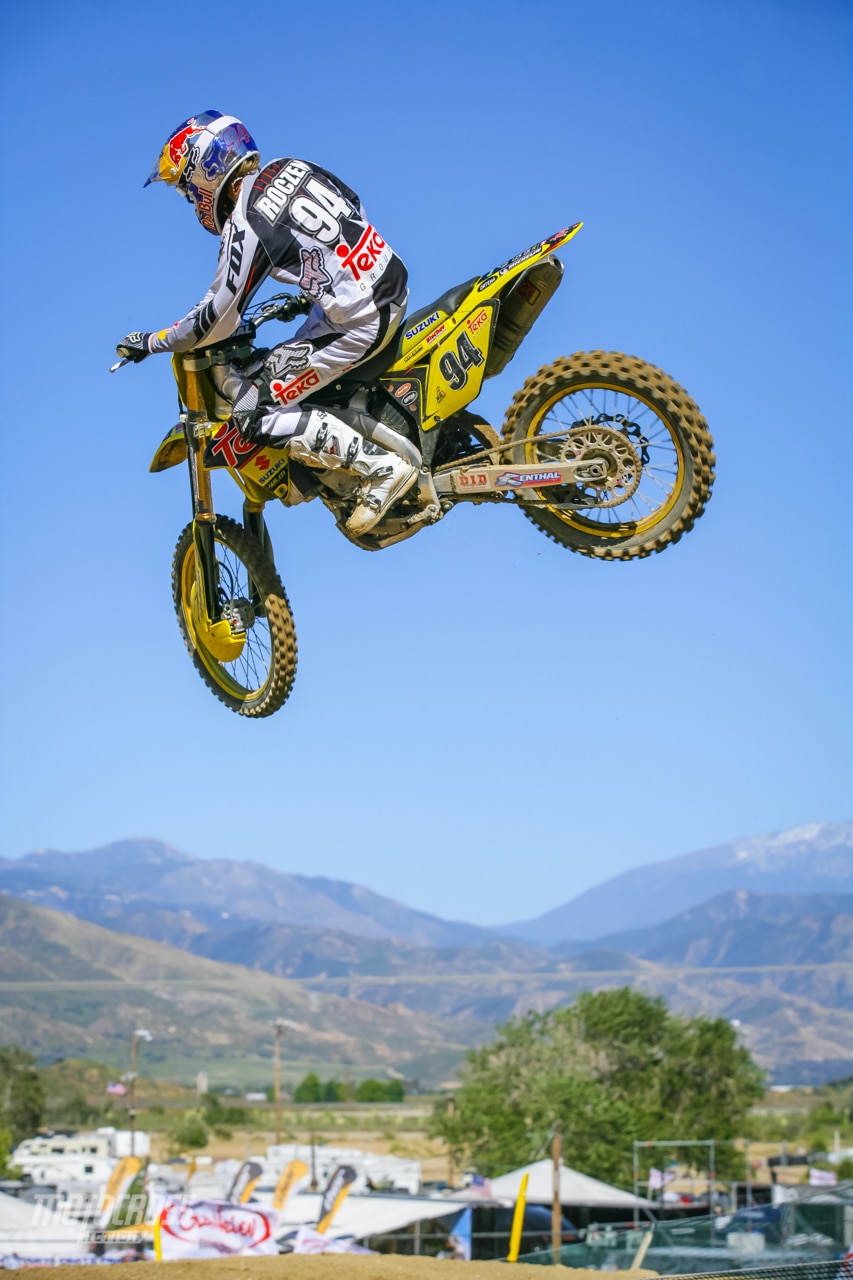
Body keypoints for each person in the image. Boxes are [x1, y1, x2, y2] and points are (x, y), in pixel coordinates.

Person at [116, 111, 417, 536]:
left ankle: (379, 469)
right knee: (277, 366)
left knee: (250, 412)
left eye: (189, 189)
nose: (193, 201)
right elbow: (354, 205)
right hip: (389, 279)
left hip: (359, 320)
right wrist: (320, 285)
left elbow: (214, 320)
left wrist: (152, 341)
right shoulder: (291, 166)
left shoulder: (247, 221)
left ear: (207, 169)